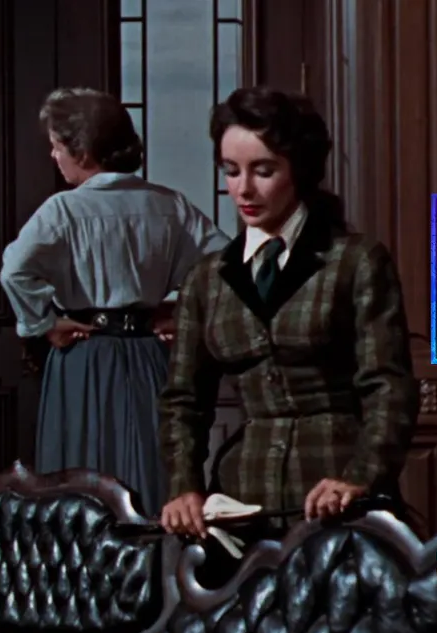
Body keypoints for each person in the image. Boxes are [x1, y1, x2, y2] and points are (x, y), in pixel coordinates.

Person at [157, 87, 419, 541]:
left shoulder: (354, 261)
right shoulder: (207, 279)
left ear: (299, 170)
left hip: (338, 498)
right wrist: (185, 487)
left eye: (263, 171)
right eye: (231, 171)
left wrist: (360, 477)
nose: (244, 189)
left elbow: (388, 387)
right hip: (242, 501)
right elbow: (183, 400)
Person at [0, 88, 230, 516]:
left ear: (83, 151)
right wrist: (181, 311)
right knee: (152, 468)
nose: (53, 156)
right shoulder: (169, 205)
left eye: (57, 146)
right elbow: (226, 265)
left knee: (81, 478)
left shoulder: (63, 211)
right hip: (150, 355)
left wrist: (45, 323)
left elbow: (14, 270)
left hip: (85, 355)